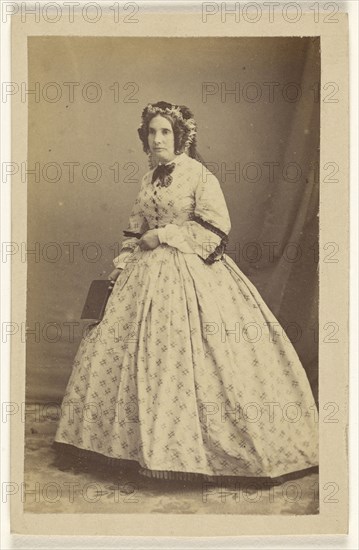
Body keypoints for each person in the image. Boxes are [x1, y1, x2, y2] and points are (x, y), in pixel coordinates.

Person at [53, 101, 319, 483]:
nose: (157, 138)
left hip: (190, 272)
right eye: (151, 132)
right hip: (142, 277)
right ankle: (124, 446)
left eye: (165, 132)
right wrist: (122, 262)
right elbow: (134, 228)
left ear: (180, 137)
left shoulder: (199, 176)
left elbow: (215, 228)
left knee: (192, 356)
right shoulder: (148, 179)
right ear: (144, 138)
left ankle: (186, 451)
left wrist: (161, 236)